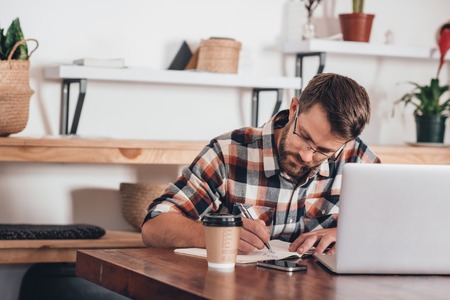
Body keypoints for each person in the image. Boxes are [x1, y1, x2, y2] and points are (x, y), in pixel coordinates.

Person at [141, 73, 381, 256]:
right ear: (295, 109)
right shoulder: (229, 152)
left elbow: (394, 229)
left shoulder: (357, 159)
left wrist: (345, 235)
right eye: (304, 137)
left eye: (324, 151)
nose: (307, 156)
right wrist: (216, 235)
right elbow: (154, 226)